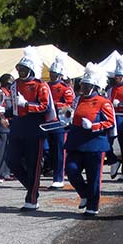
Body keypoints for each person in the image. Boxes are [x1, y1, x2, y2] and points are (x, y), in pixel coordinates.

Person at [64, 63, 116, 217]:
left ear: (94, 86)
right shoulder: (78, 99)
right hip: (76, 140)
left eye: (86, 85)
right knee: (71, 170)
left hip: (95, 143)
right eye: (82, 84)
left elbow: (110, 122)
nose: (83, 87)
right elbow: (72, 113)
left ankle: (93, 205)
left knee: (93, 177)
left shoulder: (103, 101)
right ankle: (85, 194)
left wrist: (93, 126)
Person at [6, 47, 53, 211]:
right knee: (11, 160)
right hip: (18, 127)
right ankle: (32, 187)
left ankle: (32, 198)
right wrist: (3, 110)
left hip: (34, 128)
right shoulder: (14, 85)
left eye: (24, 69)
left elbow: (45, 107)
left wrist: (26, 104)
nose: (20, 71)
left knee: (34, 164)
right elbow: (12, 108)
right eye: (19, 69)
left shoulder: (41, 85)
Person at [47, 54, 75, 189]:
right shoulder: (45, 86)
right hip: (47, 121)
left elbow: (70, 104)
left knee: (59, 151)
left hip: (60, 122)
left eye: (54, 74)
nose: (51, 76)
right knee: (48, 149)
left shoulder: (65, 88)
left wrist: (54, 104)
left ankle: (59, 177)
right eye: (50, 73)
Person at [0, 73, 14, 180]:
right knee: (2, 149)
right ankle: (0, 172)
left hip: (11, 123)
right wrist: (2, 118)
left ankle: (6, 172)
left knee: (8, 148)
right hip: (4, 123)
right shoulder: (1, 92)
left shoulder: (10, 92)